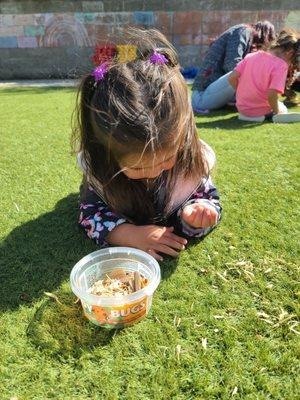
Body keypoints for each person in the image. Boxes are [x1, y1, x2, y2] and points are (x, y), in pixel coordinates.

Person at [72, 28, 221, 261]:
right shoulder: (102, 171)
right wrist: (129, 234)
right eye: (138, 167)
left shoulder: (191, 161)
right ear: (107, 154)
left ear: (184, 137)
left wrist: (197, 215)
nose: (153, 171)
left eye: (165, 159)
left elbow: (210, 200)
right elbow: (90, 215)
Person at [192, 21, 275, 111]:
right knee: (241, 71)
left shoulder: (243, 32)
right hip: (201, 98)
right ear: (265, 35)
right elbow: (231, 64)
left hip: (208, 93)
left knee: (245, 70)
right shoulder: (243, 31)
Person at [228, 29, 300, 123]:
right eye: (292, 61)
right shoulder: (281, 65)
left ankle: (255, 116)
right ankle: (273, 116)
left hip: (243, 109)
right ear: (289, 53)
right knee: (281, 106)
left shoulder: (251, 56)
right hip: (261, 110)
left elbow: (231, 78)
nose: (290, 64)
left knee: (275, 104)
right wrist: (277, 111)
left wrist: (240, 91)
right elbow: (272, 94)